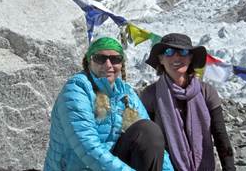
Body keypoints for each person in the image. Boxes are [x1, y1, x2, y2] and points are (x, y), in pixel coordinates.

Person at [44, 37, 174, 171]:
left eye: (115, 59)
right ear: (89, 61)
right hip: (78, 166)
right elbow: (87, 147)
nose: (108, 65)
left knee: (147, 131)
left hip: (111, 165)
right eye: (100, 58)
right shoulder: (77, 90)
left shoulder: (125, 92)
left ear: (121, 64)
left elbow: (156, 147)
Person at [140, 33, 235, 171]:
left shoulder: (206, 92)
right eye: (169, 52)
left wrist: (230, 168)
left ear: (190, 58)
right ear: (160, 59)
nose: (176, 57)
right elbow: (146, 142)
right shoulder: (150, 95)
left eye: (183, 52)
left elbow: (220, 136)